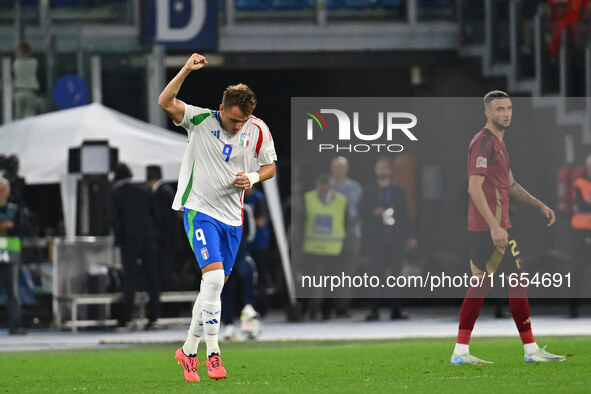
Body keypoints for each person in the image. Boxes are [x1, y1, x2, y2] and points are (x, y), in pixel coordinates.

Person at [158, 53, 277, 382]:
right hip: (200, 211)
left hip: (232, 220)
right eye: (234, 120)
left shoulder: (257, 130)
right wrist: (185, 69)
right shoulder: (199, 120)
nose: (239, 127)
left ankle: (187, 350)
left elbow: (270, 166)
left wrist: (252, 178)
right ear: (222, 109)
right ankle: (213, 354)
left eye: (244, 121)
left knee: (210, 291)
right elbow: (165, 100)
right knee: (212, 282)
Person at [451, 90, 565, 365]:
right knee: (517, 281)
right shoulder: (483, 143)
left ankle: (461, 351)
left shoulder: (499, 144)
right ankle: (530, 350)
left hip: (492, 227)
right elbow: (473, 188)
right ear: (487, 113)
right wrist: (494, 227)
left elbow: (510, 184)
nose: (506, 113)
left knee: (481, 286)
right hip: (490, 228)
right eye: (500, 109)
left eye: (509, 108)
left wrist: (539, 204)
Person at [359, 157, 416, 321]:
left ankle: (396, 310)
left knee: (396, 275)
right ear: (375, 171)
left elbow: (406, 214)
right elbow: (361, 214)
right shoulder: (369, 190)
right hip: (376, 238)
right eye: (379, 167)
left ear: (390, 171)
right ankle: (374, 310)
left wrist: (410, 235)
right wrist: (373, 214)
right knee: (375, 274)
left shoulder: (399, 190)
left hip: (395, 238)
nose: (382, 171)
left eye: (385, 168)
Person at [109, 163, 161, 330]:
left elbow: (116, 221)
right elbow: (155, 215)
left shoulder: (116, 193)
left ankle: (126, 317)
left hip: (129, 240)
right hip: (148, 238)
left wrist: (119, 240)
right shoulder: (145, 191)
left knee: (130, 279)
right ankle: (154, 316)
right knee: (152, 277)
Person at [302, 173, 348, 320]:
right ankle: (306, 310)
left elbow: (346, 222)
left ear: (330, 185)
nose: (324, 188)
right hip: (312, 248)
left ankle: (326, 311)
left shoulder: (342, 201)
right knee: (309, 282)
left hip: (333, 249)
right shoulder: (308, 199)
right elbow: (302, 220)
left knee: (330, 282)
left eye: (326, 185)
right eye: (321, 185)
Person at [329, 156, 363, 317]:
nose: (339, 170)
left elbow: (363, 208)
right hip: (332, 236)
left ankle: (343, 307)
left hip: (352, 234)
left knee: (347, 272)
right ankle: (327, 307)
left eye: (341, 167)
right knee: (331, 271)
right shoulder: (327, 186)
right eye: (336, 167)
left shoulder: (356, 188)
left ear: (347, 169)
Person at [146, 165, 183, 294]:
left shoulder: (162, 193)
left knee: (166, 274)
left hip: (166, 243)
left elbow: (167, 221)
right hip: (170, 242)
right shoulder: (167, 190)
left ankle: (171, 307)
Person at [0, 177, 27, 335]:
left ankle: (15, 324)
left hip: (11, 253)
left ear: (7, 192)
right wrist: (5, 226)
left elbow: (18, 228)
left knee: (12, 291)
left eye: (2, 190)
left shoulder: (15, 209)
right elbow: (9, 226)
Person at [244, 186, 272, 316]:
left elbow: (261, 222)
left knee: (260, 275)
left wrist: (247, 221)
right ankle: (247, 304)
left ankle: (262, 306)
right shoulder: (243, 198)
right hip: (246, 244)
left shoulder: (258, 199)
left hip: (259, 243)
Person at [569, 153, 591, 318]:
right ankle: (573, 308)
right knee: (578, 269)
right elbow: (581, 204)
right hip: (581, 232)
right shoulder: (579, 183)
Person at [12, 41, 39, 120]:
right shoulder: (34, 62)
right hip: (30, 91)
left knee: (18, 117)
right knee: (29, 116)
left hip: (18, 91)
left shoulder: (16, 63)